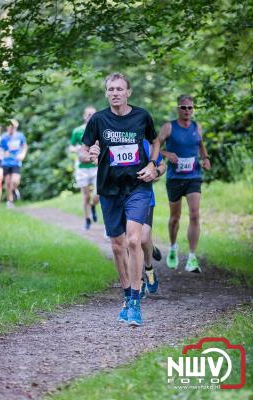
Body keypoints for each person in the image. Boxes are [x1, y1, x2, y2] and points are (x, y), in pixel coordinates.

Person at [81, 72, 160, 326]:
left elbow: (155, 140)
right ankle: (126, 294)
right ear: (106, 93)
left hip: (137, 185)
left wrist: (152, 164)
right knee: (117, 245)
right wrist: (90, 152)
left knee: (134, 240)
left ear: (128, 92)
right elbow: (85, 150)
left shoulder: (142, 116)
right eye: (111, 89)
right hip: (109, 188)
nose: (115, 93)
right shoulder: (98, 119)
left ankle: (136, 301)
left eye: (119, 89)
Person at [159, 95, 211, 273]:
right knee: (175, 218)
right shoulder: (169, 127)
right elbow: (155, 145)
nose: (187, 110)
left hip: (193, 176)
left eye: (190, 107)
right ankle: (173, 247)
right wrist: (167, 155)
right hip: (175, 178)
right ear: (177, 109)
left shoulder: (197, 126)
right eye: (183, 107)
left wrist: (205, 158)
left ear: (193, 109)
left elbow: (200, 145)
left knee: (195, 215)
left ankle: (191, 257)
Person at [140, 139, 166, 298]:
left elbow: (162, 165)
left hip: (145, 196)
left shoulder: (147, 142)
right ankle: (138, 281)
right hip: (121, 199)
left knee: (143, 238)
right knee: (131, 240)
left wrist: (155, 172)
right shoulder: (114, 139)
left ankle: (149, 268)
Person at [69, 106, 99, 230]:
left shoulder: (100, 130)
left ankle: (93, 205)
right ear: (84, 116)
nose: (90, 116)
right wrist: (77, 149)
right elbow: (71, 147)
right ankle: (87, 220)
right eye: (88, 114)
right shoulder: (77, 131)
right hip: (82, 168)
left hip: (96, 167)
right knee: (86, 196)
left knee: (99, 194)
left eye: (93, 114)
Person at [0, 119, 28, 208]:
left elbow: (25, 146)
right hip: (6, 162)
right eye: (9, 127)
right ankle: (10, 201)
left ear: (15, 127)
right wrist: (4, 153)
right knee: (7, 182)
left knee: (15, 181)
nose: (11, 129)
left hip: (16, 162)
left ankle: (15, 190)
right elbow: (0, 149)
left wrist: (22, 154)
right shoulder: (4, 137)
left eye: (13, 127)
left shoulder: (20, 136)